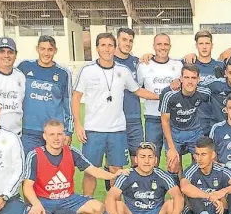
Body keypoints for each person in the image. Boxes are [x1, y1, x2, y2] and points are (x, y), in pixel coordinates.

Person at [72, 33, 159, 200]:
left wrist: (161, 96)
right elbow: (76, 97)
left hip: (118, 130)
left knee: (116, 170)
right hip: (93, 130)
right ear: (97, 48)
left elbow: (137, 90)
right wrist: (78, 124)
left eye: (110, 45)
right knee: (91, 170)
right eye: (103, 45)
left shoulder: (123, 71)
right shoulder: (88, 71)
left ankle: (114, 206)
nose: (107, 49)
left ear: (115, 47)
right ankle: (87, 205)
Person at [22, 119, 126, 214]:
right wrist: (36, 205)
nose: (56, 138)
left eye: (59, 134)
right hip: (44, 200)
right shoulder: (34, 155)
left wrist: (113, 175)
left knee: (98, 209)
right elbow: (27, 186)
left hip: (68, 199)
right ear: (45, 136)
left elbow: (91, 169)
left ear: (64, 135)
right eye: (52, 134)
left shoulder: (71, 151)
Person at [104, 142, 189, 214]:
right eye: (142, 157)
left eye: (150, 157)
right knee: (118, 204)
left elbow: (178, 196)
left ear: (155, 159)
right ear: (136, 160)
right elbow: (110, 198)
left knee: (171, 203)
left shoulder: (161, 175)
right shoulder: (127, 175)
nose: (146, 161)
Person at [17, 35, 74, 153]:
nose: (46, 53)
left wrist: (68, 132)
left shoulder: (63, 73)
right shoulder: (25, 67)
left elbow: (68, 104)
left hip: (54, 133)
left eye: (50, 49)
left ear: (55, 51)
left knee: (54, 170)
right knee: (30, 168)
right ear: (37, 49)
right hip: (30, 131)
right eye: (42, 49)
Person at [159, 64, 212, 178]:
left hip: (195, 131)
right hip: (174, 132)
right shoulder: (169, 95)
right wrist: (172, 148)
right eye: (187, 77)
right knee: (173, 165)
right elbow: (165, 121)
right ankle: (179, 193)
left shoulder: (205, 92)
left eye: (193, 78)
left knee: (204, 162)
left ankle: (195, 191)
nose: (190, 82)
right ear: (181, 79)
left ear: (198, 79)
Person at [137, 33, 183, 160]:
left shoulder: (178, 65)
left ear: (170, 46)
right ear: (153, 46)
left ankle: (175, 181)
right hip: (153, 118)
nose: (162, 47)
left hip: (173, 118)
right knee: (151, 158)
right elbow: (137, 89)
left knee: (174, 159)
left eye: (166, 44)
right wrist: (161, 97)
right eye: (159, 44)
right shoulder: (143, 65)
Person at [113, 28, 144, 164]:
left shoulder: (138, 63)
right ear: (117, 40)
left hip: (134, 119)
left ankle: (136, 186)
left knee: (137, 160)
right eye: (124, 40)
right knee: (114, 163)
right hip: (113, 119)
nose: (127, 43)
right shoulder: (108, 62)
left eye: (130, 41)